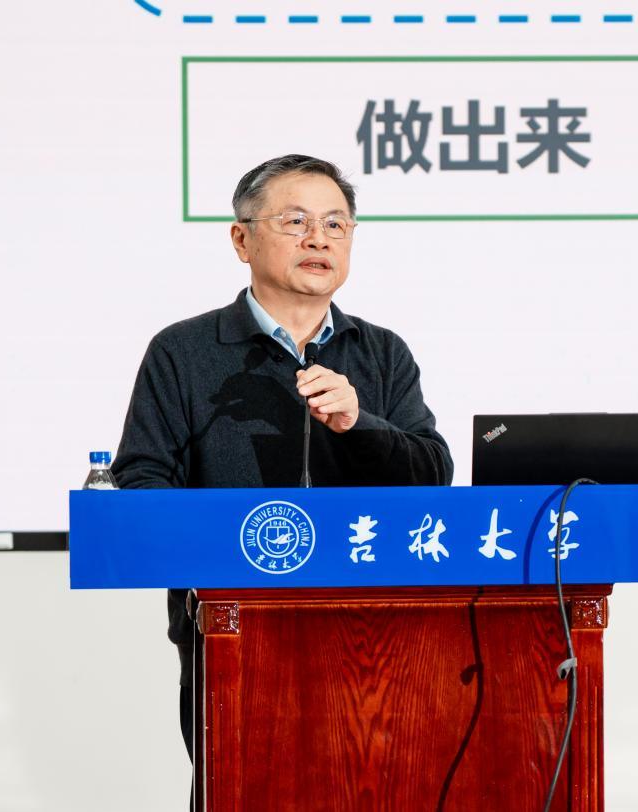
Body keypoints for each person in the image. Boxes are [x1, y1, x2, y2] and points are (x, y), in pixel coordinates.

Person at [111, 154, 454, 760]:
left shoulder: (382, 353)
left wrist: (359, 424)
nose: (318, 239)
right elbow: (142, 480)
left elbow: (432, 476)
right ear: (241, 240)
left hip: (374, 637)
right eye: (295, 222)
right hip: (231, 635)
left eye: (335, 224)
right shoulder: (182, 351)